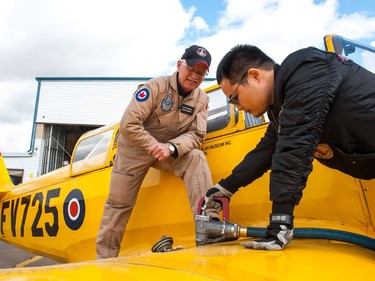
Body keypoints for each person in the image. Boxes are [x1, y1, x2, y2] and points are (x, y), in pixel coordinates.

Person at [205, 44, 375, 251]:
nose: (237, 106)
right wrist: (225, 188)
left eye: (234, 98)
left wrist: (280, 221)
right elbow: (266, 151)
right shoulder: (282, 109)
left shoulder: (305, 69)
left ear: (254, 75)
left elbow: (295, 144)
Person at [96, 45, 217, 258]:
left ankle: (210, 228)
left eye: (201, 72)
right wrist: (154, 145)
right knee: (118, 204)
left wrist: (171, 147)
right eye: (191, 69)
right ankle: (104, 260)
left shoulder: (202, 100)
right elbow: (129, 124)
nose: (195, 76)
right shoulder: (154, 87)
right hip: (134, 150)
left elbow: (197, 135)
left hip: (168, 151)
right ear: (180, 65)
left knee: (196, 157)